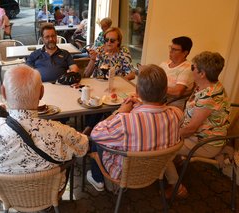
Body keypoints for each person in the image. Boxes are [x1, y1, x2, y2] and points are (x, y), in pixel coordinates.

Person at [0, 65, 89, 173]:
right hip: (50, 192)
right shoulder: (60, 131)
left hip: (7, 193)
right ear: (41, 92)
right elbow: (83, 148)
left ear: (3, 92)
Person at [86, 64, 183, 191]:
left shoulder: (125, 121)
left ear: (137, 90)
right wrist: (141, 104)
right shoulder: (177, 113)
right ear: (165, 90)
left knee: (98, 142)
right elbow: (154, 120)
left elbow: (95, 134)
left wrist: (121, 111)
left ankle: (97, 178)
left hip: (124, 174)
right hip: (156, 170)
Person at [165, 51, 230, 199]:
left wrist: (168, 136)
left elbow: (190, 129)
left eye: (193, 67)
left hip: (205, 143)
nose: (190, 69)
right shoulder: (208, 85)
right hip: (198, 135)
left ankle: (177, 187)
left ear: (202, 73)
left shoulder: (208, 97)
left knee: (163, 148)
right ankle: (177, 160)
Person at [160, 36, 194, 109]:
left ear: (185, 53)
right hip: (157, 101)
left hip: (171, 106)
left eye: (174, 49)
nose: (170, 51)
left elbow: (177, 92)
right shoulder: (165, 63)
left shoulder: (187, 68)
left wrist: (155, 87)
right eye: (171, 48)